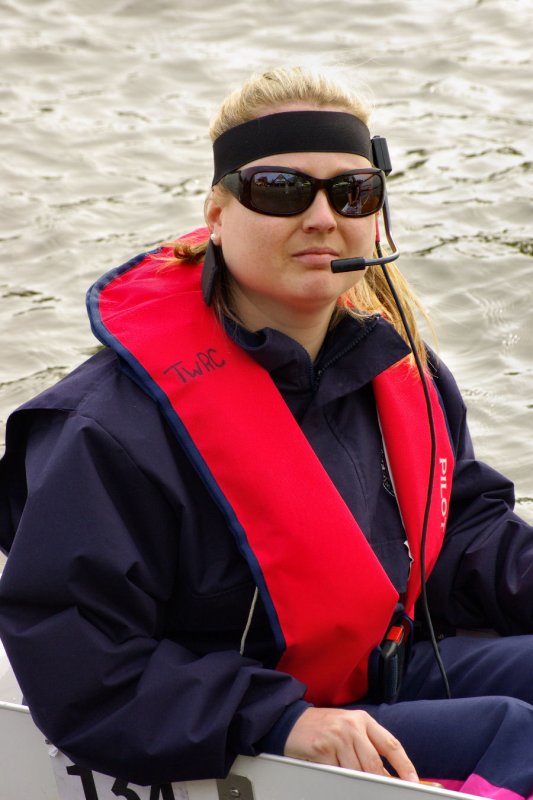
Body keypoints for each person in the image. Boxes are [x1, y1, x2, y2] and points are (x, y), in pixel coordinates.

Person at [1, 65, 533, 798]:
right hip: (240, 726)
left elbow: (459, 536)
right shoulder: (103, 427)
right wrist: (279, 720)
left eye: (351, 192)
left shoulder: (405, 374)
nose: (321, 218)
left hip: (377, 676)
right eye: (280, 190)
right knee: (516, 732)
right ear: (215, 213)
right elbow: (82, 662)